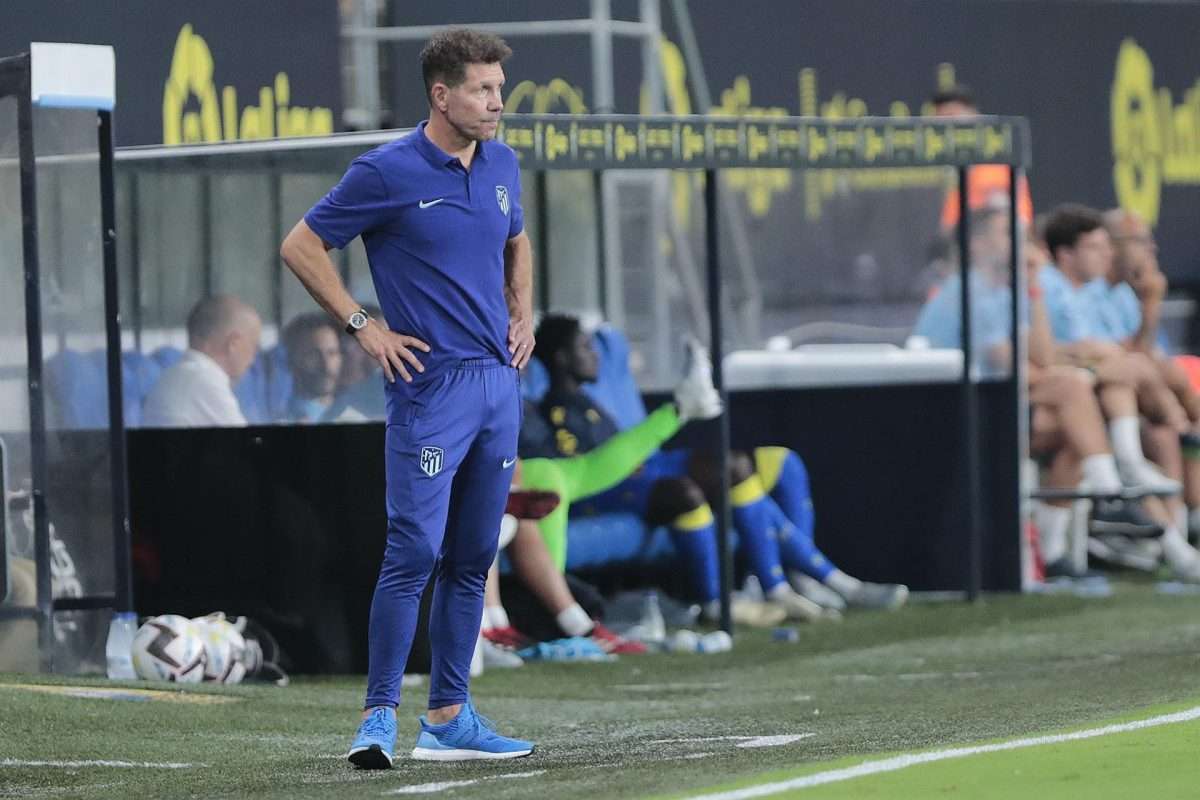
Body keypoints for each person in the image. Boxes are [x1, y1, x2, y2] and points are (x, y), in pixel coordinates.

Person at [279, 28, 534, 767]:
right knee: (413, 551)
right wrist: (362, 325)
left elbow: (516, 236)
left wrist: (523, 310)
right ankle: (377, 719)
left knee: (473, 554)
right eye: (484, 90)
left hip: (497, 385)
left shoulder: (502, 163)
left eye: (498, 88)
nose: (497, 102)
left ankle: (450, 717)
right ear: (441, 94)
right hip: (431, 390)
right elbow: (300, 245)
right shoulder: (385, 171)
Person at [530, 315, 908, 615]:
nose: (595, 354)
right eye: (584, 347)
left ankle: (798, 579)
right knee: (719, 477)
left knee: (777, 463)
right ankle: (816, 582)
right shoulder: (557, 410)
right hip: (625, 486)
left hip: (653, 467)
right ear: (562, 358)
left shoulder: (589, 401)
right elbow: (586, 471)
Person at [142, 294, 261, 428]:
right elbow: (245, 444)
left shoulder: (175, 376)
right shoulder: (204, 379)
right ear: (233, 343)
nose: (252, 360)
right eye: (254, 347)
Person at [280, 313, 344, 423]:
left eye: (332, 353)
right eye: (313, 355)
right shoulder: (282, 420)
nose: (326, 365)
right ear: (292, 360)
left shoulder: (356, 412)